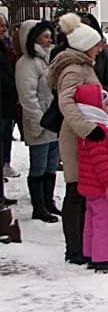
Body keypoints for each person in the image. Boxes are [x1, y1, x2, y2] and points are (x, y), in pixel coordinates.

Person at [47, 13, 105, 265]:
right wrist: (87, 128)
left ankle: (82, 242)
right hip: (76, 136)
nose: (100, 48)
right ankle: (74, 248)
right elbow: (67, 102)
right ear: (85, 45)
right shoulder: (73, 68)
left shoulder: (83, 66)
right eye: (96, 44)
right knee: (76, 189)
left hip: (85, 133)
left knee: (83, 189)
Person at [74, 84, 108, 273]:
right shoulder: (99, 133)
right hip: (101, 185)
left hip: (90, 185)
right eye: (106, 105)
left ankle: (90, 253)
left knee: (92, 219)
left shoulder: (90, 130)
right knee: (104, 221)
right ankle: (103, 259)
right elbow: (100, 161)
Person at [14, 21, 61, 223]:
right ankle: (39, 206)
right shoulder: (27, 63)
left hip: (52, 120)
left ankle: (48, 202)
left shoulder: (47, 59)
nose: (50, 40)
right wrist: (38, 122)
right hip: (40, 121)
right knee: (39, 166)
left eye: (50, 36)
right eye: (45, 36)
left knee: (51, 164)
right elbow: (28, 96)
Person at [0, 15, 18, 179]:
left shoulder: (7, 47)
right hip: (4, 99)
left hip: (8, 103)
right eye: (0, 26)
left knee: (6, 138)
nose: (4, 29)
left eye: (5, 25)